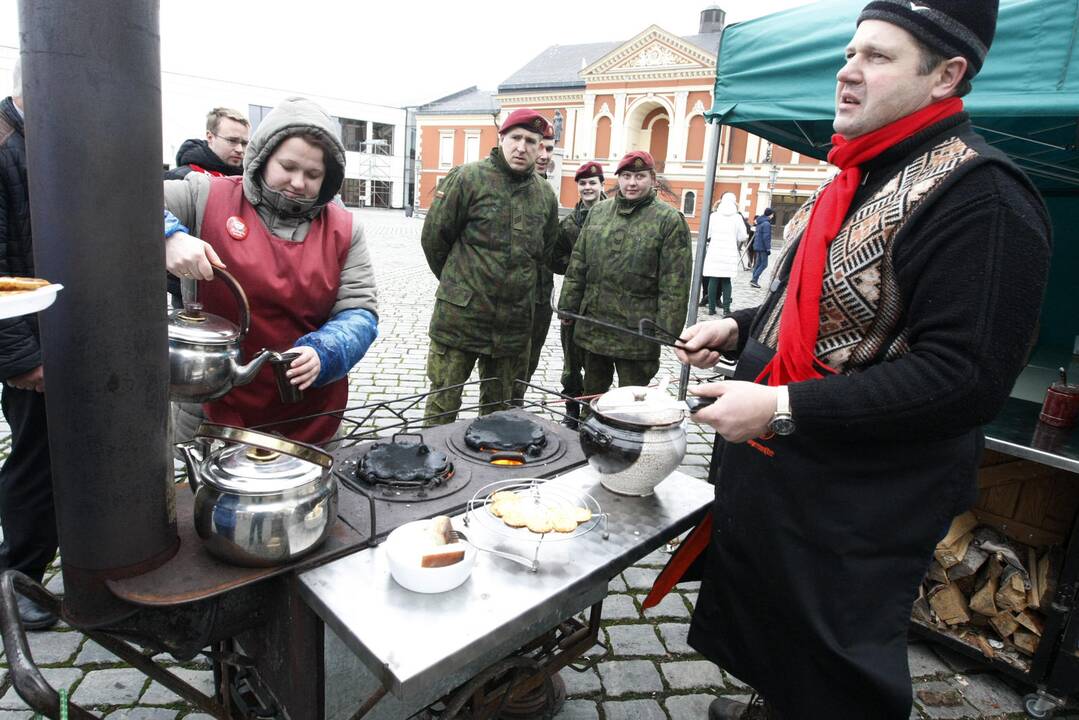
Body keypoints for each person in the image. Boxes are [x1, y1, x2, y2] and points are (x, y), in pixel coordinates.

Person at [646, 2, 1052, 718]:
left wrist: (779, 405)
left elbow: (962, 378)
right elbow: (818, 307)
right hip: (786, 482)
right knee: (776, 635)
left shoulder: (983, 199)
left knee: (831, 669)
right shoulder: (851, 176)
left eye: (877, 56)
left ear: (946, 75)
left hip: (860, 501)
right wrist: (739, 330)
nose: (846, 71)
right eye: (849, 52)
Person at [164, 97, 379, 445]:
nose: (298, 182)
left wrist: (326, 350)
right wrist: (168, 234)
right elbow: (126, 197)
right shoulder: (206, 196)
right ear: (263, 157)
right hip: (217, 408)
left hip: (309, 410)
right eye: (288, 166)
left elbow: (360, 312)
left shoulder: (344, 229)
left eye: (313, 174)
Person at [421, 109, 559, 424]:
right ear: (501, 139)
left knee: (502, 415)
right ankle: (430, 467)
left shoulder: (545, 195)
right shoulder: (468, 178)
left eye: (531, 141)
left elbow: (544, 254)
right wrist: (459, 285)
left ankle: (493, 470)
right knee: (443, 404)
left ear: (540, 148)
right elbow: (434, 240)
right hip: (460, 319)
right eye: (516, 138)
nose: (522, 147)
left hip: (512, 327)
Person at [0, 60, 58, 630]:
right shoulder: (3, 146)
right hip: (31, 344)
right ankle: (18, 577)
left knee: (75, 460)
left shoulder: (45, 144)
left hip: (69, 335)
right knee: (35, 464)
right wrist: (18, 356)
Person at [557, 150, 691, 397]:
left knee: (631, 403)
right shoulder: (598, 212)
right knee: (592, 396)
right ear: (618, 178)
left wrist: (666, 331)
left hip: (637, 332)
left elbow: (675, 282)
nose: (632, 183)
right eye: (626, 176)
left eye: (639, 176)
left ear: (652, 178)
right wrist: (568, 306)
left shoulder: (668, 220)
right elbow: (578, 264)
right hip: (594, 326)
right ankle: (588, 433)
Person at [551, 160, 606, 427]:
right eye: (582, 183)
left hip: (606, 302)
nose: (587, 187)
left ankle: (596, 411)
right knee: (571, 360)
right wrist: (574, 266)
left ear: (601, 185)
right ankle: (572, 408)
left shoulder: (615, 215)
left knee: (599, 361)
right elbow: (554, 256)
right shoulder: (570, 223)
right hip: (575, 299)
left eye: (592, 183)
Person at [522, 123, 559, 390]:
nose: (545, 155)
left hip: (540, 297)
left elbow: (551, 249)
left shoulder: (548, 194)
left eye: (550, 148)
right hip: (506, 299)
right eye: (541, 147)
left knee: (528, 366)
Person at [164, 107, 250, 180]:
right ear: (210, 137)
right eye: (232, 141)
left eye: (244, 143)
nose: (240, 150)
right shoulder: (179, 178)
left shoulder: (251, 182)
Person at [702, 192, 746, 316]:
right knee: (726, 280)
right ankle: (726, 309)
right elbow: (743, 236)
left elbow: (708, 234)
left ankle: (711, 308)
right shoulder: (737, 217)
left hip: (714, 251)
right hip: (729, 252)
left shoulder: (714, 216)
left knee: (713, 279)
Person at [748, 207, 773, 288]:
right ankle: (754, 280)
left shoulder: (760, 222)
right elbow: (766, 237)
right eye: (772, 214)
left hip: (757, 246)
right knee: (764, 264)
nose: (773, 216)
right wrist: (768, 248)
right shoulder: (766, 224)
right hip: (763, 247)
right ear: (770, 214)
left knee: (758, 264)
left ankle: (753, 279)